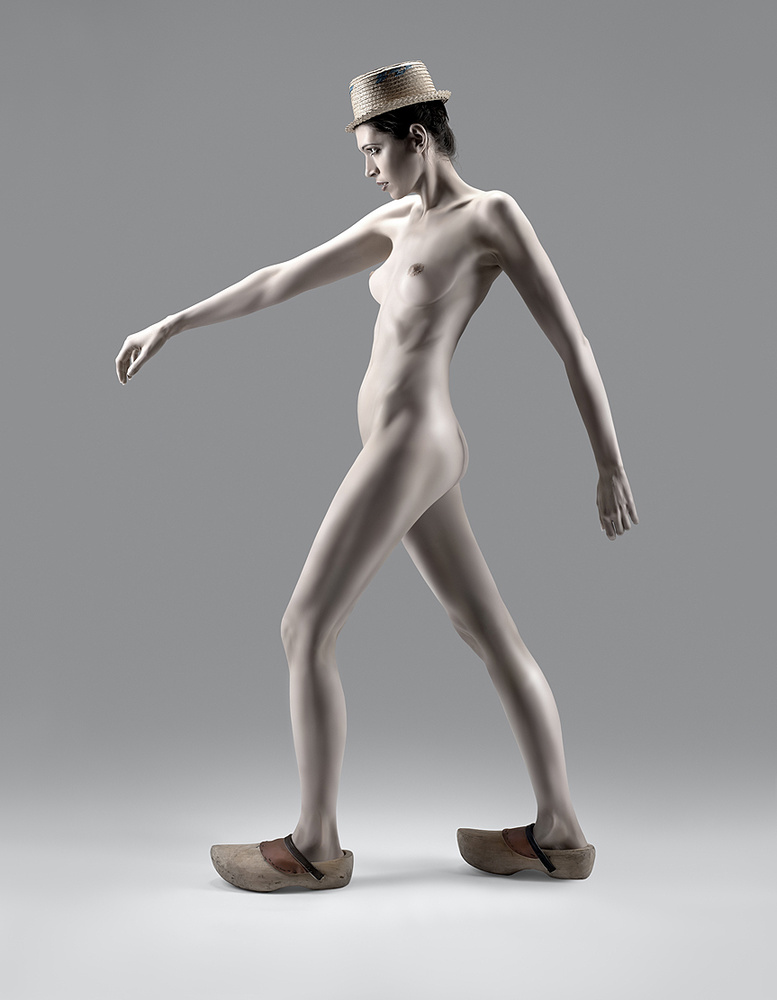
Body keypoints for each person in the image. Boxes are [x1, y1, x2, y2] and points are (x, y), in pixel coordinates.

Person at [115, 61, 638, 892]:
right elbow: (281, 276)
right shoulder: (395, 220)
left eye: (373, 150)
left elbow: (570, 341)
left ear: (417, 138)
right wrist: (173, 322)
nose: (366, 167)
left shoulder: (490, 216)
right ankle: (559, 833)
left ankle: (315, 846)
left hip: (410, 444)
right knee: (485, 632)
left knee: (304, 625)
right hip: (404, 448)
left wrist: (607, 461)